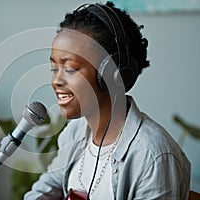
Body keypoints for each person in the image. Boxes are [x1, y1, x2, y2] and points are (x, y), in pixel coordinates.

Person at [24, 2, 191, 199]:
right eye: (54, 69)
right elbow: (44, 190)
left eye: (69, 69)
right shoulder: (74, 133)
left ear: (113, 74)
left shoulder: (153, 156)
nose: (56, 81)